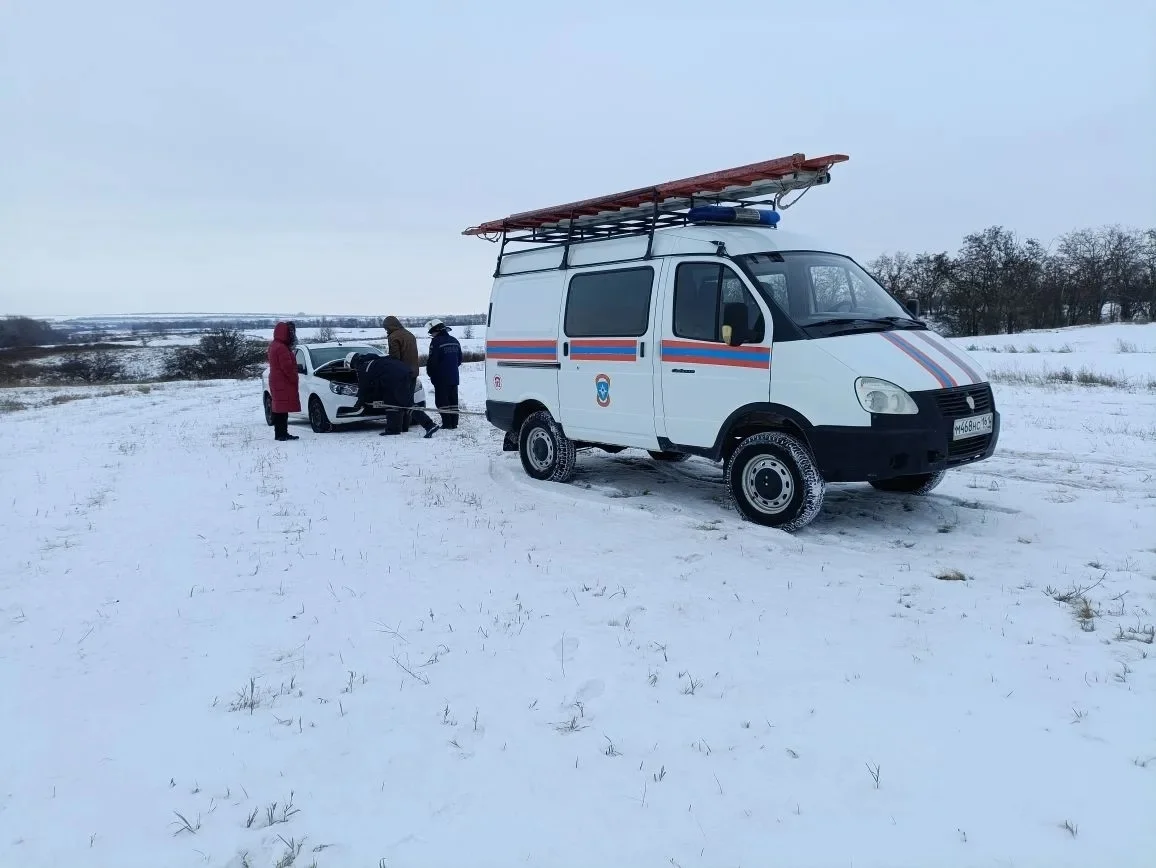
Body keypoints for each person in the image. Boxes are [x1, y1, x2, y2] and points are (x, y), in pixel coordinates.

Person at [346, 352, 439, 438]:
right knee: (391, 401)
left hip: (395, 379)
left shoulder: (363, 367)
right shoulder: (373, 360)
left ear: (353, 362)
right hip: (404, 373)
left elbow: (364, 388)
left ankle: (429, 425)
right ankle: (393, 429)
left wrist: (359, 403)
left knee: (406, 404)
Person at [424, 318, 462, 429]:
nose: (432, 335)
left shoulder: (436, 342)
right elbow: (459, 359)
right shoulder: (455, 340)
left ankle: (447, 424)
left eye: (432, 332)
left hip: (441, 378)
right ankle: (454, 423)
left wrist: (431, 373)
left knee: (442, 402)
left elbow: (432, 361)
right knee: (453, 401)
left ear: (436, 330)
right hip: (454, 376)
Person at [267, 321, 300, 441]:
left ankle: (280, 433)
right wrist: (294, 378)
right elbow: (287, 367)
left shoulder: (274, 345)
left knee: (279, 408)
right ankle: (281, 434)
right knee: (282, 410)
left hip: (277, 381)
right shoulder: (282, 348)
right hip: (283, 381)